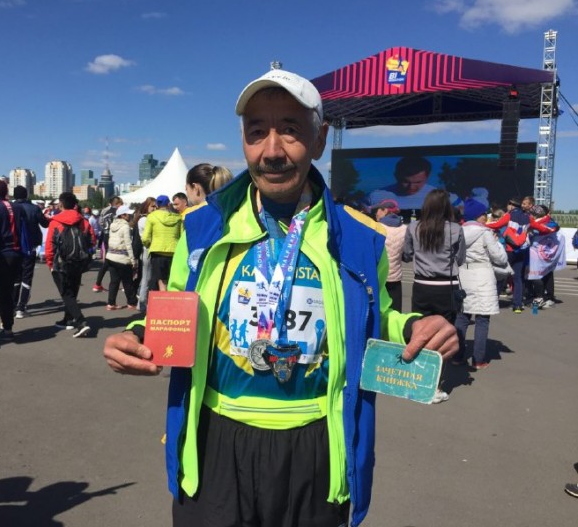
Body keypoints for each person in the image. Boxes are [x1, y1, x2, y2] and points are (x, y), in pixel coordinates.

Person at [103, 68, 458, 527]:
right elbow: (176, 307)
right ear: (243, 141)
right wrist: (136, 334)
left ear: (320, 139)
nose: (272, 151)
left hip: (315, 443)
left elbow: (379, 318)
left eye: (290, 130)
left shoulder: (360, 238)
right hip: (215, 439)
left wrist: (416, 327)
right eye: (257, 132)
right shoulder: (202, 227)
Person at [403, 188, 465, 403]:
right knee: (442, 335)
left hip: (422, 285)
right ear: (447, 207)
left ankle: (416, 379)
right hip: (446, 287)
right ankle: (435, 386)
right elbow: (460, 259)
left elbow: (407, 254)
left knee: (420, 331)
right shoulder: (455, 229)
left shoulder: (414, 227)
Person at [453, 198, 507, 370]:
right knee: (482, 319)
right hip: (483, 276)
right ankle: (478, 359)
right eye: (484, 214)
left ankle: (457, 356)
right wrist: (497, 243)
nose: (486, 216)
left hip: (463, 274)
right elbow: (499, 258)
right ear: (478, 215)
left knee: (462, 317)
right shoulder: (485, 233)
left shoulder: (458, 231)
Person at [45, 191, 95, 338]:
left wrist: (50, 263)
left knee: (66, 293)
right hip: (79, 262)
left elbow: (50, 245)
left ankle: (80, 321)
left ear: (61, 204)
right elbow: (92, 240)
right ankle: (68, 319)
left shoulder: (55, 222)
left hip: (61, 262)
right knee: (73, 290)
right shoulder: (83, 221)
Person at [0, 179, 24, 340]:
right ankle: (7, 323)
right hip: (17, 252)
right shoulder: (17, 207)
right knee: (10, 289)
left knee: (1, 293)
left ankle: (7, 327)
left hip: (2, 254)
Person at [11, 185, 50, 319]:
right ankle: (21, 307)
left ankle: (13, 305)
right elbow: (45, 224)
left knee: (15, 277)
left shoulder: (10, 208)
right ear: (26, 195)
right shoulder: (34, 208)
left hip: (13, 247)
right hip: (30, 246)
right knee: (27, 277)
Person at [368, 156, 460, 212]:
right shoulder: (374, 197)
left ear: (427, 177)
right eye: (405, 182)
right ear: (396, 176)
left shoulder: (446, 198)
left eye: (418, 182)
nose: (411, 187)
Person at [486, 197, 530, 313]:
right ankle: (517, 305)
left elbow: (497, 224)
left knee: (501, 275)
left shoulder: (509, 215)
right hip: (521, 250)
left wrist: (483, 225)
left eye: (508, 205)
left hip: (509, 250)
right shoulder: (527, 217)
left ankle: (493, 301)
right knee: (517, 278)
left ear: (511, 205)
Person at [142, 194, 182, 291]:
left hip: (157, 252)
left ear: (157, 205)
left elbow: (145, 238)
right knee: (171, 279)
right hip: (174, 252)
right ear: (168, 204)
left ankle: (162, 299)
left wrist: (149, 244)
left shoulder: (151, 217)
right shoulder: (178, 218)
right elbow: (182, 236)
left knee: (160, 281)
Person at [372, 199, 406, 312]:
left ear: (385, 210)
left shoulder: (376, 227)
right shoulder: (405, 229)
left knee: (378, 313)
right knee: (395, 312)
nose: (376, 213)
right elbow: (407, 255)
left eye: (378, 210)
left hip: (379, 278)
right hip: (395, 279)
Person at [105, 204, 139, 310]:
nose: (130, 216)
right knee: (127, 281)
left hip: (111, 256)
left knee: (114, 281)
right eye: (128, 214)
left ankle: (111, 303)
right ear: (123, 215)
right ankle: (132, 302)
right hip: (122, 258)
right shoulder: (125, 226)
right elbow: (128, 244)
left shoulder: (112, 225)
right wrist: (133, 260)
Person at [93, 196, 123, 292]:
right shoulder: (118, 211)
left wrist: (105, 229)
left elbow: (100, 222)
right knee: (117, 259)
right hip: (114, 236)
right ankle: (114, 284)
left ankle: (99, 283)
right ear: (117, 203)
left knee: (108, 259)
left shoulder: (104, 210)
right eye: (121, 203)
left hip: (106, 235)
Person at [135, 197, 157, 312]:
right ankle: (142, 303)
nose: (155, 208)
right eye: (152, 206)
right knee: (146, 278)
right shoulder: (144, 220)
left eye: (156, 206)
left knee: (148, 278)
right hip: (147, 250)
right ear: (146, 206)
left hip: (149, 250)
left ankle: (143, 302)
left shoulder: (147, 218)